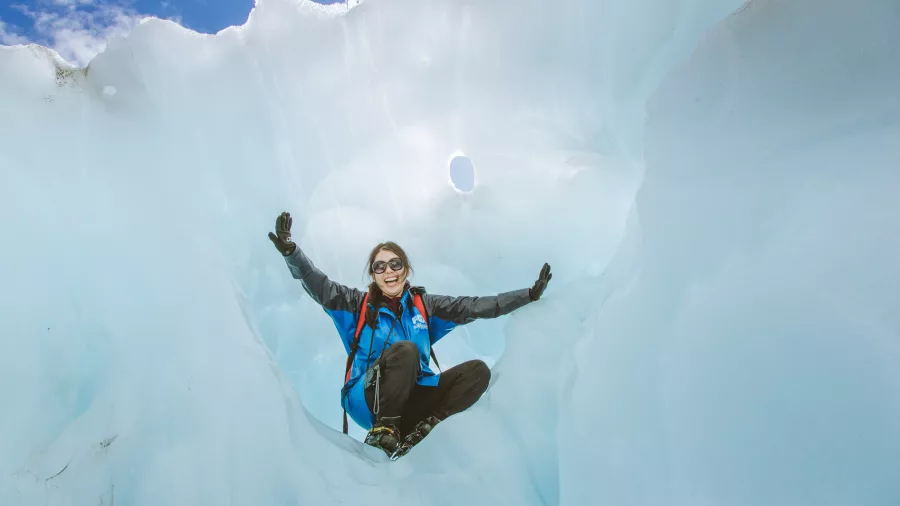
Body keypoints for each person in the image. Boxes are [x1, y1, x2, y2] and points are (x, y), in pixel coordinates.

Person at [268, 211, 552, 457]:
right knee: (406, 351)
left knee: (477, 372)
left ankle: (426, 428)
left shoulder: (424, 308)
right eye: (380, 266)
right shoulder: (356, 305)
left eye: (395, 264)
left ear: (406, 271)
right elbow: (319, 285)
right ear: (373, 275)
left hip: (413, 399)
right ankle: (384, 431)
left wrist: (527, 295)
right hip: (369, 399)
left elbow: (473, 306)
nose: (388, 270)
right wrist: (291, 252)